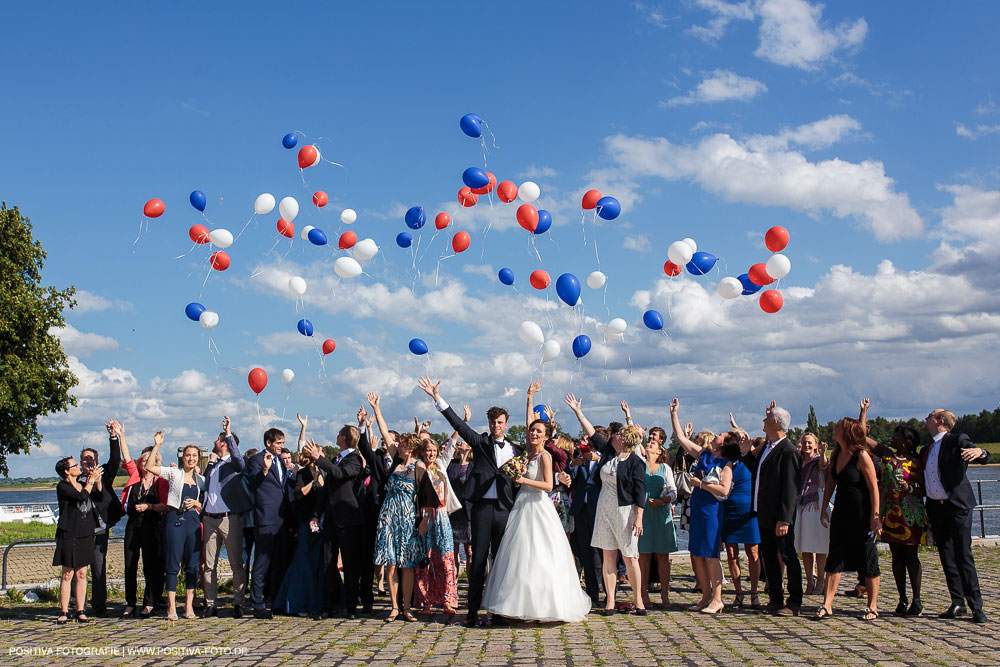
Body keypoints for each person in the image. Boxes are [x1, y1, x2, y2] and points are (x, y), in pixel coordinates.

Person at [418, 375, 521, 628]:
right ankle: (473, 612)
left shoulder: (516, 449)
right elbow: (457, 424)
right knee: (477, 561)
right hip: (482, 509)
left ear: (506, 424)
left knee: (501, 560)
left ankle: (498, 610)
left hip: (505, 509)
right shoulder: (481, 442)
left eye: (500, 422)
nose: (496, 426)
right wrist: (437, 398)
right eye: (492, 422)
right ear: (488, 423)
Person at [481, 418, 593, 622]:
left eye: (538, 431)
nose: (534, 434)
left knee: (540, 555)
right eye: (532, 430)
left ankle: (545, 605)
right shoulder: (526, 455)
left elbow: (549, 485)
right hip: (521, 505)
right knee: (520, 556)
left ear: (546, 436)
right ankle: (519, 605)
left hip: (537, 505)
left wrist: (522, 480)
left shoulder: (545, 456)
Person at [565, 394, 646, 616]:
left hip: (625, 511)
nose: (614, 435)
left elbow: (640, 491)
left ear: (626, 439)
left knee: (630, 557)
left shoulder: (635, 462)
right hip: (604, 509)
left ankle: (639, 600)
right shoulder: (608, 453)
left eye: (618, 434)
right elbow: (591, 432)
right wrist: (577, 411)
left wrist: (639, 517)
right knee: (608, 555)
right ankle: (610, 600)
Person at [921, 408, 990, 623]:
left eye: (930, 416)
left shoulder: (955, 440)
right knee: (946, 556)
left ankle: (976, 606)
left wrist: (981, 452)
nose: (926, 419)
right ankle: (957, 602)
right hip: (936, 508)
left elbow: (978, 454)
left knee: (963, 555)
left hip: (957, 506)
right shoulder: (926, 449)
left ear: (940, 421)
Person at [669, 399, 733, 614]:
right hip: (697, 509)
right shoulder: (705, 455)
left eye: (720, 436)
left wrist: (702, 485)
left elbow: (724, 490)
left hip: (711, 511)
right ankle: (705, 595)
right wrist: (674, 414)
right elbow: (680, 438)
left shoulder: (726, 464)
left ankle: (717, 598)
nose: (716, 435)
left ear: (723, 444)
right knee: (698, 553)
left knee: (711, 554)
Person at [814, 417, 881, 621]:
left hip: (862, 513)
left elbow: (873, 488)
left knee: (867, 556)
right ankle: (827, 604)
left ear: (847, 432)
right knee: (835, 556)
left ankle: (872, 605)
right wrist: (824, 507)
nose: (834, 429)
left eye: (838, 427)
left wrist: (875, 517)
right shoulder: (836, 454)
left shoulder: (861, 455)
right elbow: (831, 482)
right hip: (842, 512)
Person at [306, 412, 366, 619]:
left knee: (350, 564)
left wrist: (319, 459)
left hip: (349, 520)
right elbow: (326, 490)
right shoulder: (335, 459)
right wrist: (316, 514)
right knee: (328, 563)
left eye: (339, 434)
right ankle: (328, 606)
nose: (336, 436)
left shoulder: (354, 459)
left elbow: (340, 474)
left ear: (343, 438)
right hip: (331, 518)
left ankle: (350, 606)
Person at [145, 432, 206, 620]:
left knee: (193, 566)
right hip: (175, 519)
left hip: (193, 522)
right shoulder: (174, 473)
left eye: (194, 455)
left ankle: (189, 606)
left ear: (198, 459)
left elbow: (207, 503)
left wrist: (198, 505)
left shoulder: (201, 480)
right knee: (172, 564)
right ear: (183, 457)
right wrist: (157, 445)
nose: (191, 458)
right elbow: (149, 466)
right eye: (188, 455)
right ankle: (172, 607)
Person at [372, 430, 430, 622]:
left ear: (411, 448)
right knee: (391, 564)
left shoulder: (419, 466)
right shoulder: (396, 461)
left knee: (407, 565)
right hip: (388, 518)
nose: (398, 446)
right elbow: (386, 435)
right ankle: (394, 607)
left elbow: (427, 496)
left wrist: (425, 519)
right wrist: (377, 409)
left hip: (407, 519)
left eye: (402, 444)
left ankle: (406, 607)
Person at [754, 401, 803, 616]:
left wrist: (785, 519)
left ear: (775, 422)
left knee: (788, 556)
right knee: (769, 557)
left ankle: (794, 601)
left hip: (779, 516)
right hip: (763, 513)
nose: (763, 421)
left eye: (767, 418)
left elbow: (791, 488)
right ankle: (775, 598)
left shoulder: (788, 451)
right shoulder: (768, 447)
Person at [200, 415, 251, 618]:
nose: (214, 441)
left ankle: (238, 602)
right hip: (210, 517)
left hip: (229, 518)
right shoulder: (213, 465)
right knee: (209, 564)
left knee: (236, 562)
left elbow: (239, 460)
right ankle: (210, 603)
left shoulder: (236, 463)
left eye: (218, 439)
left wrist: (229, 433)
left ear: (225, 444)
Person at [878, 424, 927, 617]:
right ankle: (902, 599)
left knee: (911, 556)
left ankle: (917, 600)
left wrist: (911, 489)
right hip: (891, 512)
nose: (893, 438)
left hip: (910, 513)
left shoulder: (916, 462)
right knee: (896, 556)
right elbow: (866, 440)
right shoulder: (887, 458)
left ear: (906, 442)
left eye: (897, 435)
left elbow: (925, 489)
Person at [78, 423, 125, 617]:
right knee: (78, 570)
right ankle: (78, 605)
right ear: (80, 462)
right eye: (85, 459)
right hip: (80, 531)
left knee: (98, 569)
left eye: (92, 458)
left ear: (97, 461)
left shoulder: (105, 475)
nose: (88, 461)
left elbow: (115, 459)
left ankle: (99, 606)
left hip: (99, 529)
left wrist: (113, 437)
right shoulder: (76, 480)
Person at [412, 431, 461, 615]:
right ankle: (426, 601)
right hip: (425, 515)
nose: (432, 454)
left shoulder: (440, 465)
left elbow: (451, 445)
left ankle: (448, 600)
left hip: (441, 515)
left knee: (446, 559)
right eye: (428, 451)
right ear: (423, 452)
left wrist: (461, 424)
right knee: (426, 559)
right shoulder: (418, 468)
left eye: (434, 450)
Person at [274, 447, 325, 616]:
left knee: (318, 561)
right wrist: (313, 483)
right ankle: (297, 601)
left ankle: (320, 600)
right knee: (303, 559)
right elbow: (298, 494)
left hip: (320, 522)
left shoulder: (323, 471)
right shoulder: (302, 473)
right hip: (305, 521)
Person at [246, 427, 291, 619]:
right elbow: (252, 485)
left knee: (280, 561)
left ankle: (276, 600)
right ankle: (257, 603)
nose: (282, 446)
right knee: (261, 563)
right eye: (278, 443)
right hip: (265, 518)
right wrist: (264, 469)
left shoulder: (281, 460)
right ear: (268, 443)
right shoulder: (256, 461)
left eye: (282, 442)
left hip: (281, 518)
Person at [121, 439, 168, 619]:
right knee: (130, 564)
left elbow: (166, 506)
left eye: (149, 462)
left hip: (153, 525)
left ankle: (149, 602)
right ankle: (130, 603)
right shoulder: (135, 477)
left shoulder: (160, 481)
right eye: (142, 461)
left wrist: (149, 507)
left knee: (151, 566)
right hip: (134, 525)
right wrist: (121, 437)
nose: (145, 465)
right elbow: (127, 458)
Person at [53, 456, 100, 624]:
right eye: (74, 465)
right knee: (67, 573)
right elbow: (80, 497)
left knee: (82, 573)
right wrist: (91, 481)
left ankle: (81, 610)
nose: (78, 466)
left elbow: (94, 495)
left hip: (85, 532)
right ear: (67, 471)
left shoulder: (82, 484)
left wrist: (94, 479)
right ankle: (64, 610)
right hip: (69, 533)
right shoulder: (63, 486)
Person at [637, 425, 677, 609]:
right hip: (643, 511)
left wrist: (665, 500)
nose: (650, 443)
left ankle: (664, 594)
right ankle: (643, 594)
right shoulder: (639, 465)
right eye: (648, 442)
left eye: (653, 442)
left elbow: (673, 491)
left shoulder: (665, 468)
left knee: (663, 555)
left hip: (660, 511)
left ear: (660, 450)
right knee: (643, 555)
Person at [721, 429, 760, 610]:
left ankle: (754, 593)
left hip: (748, 512)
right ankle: (738, 593)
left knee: (753, 553)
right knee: (731, 555)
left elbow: (767, 443)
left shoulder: (749, 458)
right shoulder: (723, 463)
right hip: (729, 510)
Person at [567, 438, 603, 606]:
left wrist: (598, 459)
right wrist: (574, 463)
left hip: (599, 510)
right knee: (585, 553)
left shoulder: (605, 458)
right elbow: (570, 477)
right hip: (581, 509)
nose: (584, 442)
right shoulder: (580, 457)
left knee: (603, 553)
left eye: (588, 439)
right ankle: (592, 593)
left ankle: (610, 591)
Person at [794, 433, 830, 598]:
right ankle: (810, 579)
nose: (806, 445)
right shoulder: (798, 461)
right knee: (805, 546)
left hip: (816, 504)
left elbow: (824, 465)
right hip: (801, 504)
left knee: (820, 545)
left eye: (809, 443)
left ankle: (821, 579)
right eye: (804, 443)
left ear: (815, 445)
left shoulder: (817, 460)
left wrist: (822, 453)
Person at [446, 429, 474, 575]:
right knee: (453, 550)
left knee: (469, 551)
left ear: (469, 447)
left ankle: (471, 584)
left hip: (468, 513)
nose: (462, 441)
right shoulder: (452, 465)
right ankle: (453, 582)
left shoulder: (473, 466)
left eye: (464, 440)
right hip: (453, 512)